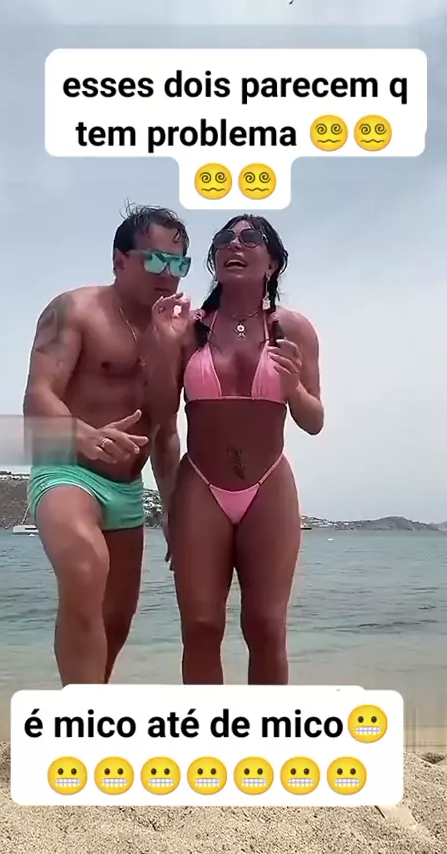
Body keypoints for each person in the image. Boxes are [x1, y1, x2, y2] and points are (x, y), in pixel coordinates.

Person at [23, 205, 191, 685]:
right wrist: (87, 436)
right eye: (156, 260)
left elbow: (165, 430)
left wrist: (174, 510)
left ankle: (88, 704)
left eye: (178, 263)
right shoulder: (74, 310)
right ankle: (81, 712)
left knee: (116, 620)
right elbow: (38, 396)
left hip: (128, 489)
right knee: (85, 568)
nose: (168, 274)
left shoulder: (179, 336)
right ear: (120, 260)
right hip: (67, 470)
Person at [168, 214, 324, 685]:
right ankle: (207, 728)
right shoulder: (187, 329)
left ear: (272, 263)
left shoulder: (293, 329)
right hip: (200, 485)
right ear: (214, 258)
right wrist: (157, 344)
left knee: (266, 627)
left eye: (250, 238)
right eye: (224, 239)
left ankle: (266, 729)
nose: (234, 245)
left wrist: (295, 389)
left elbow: (313, 421)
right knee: (200, 627)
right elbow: (159, 416)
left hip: (268, 485)